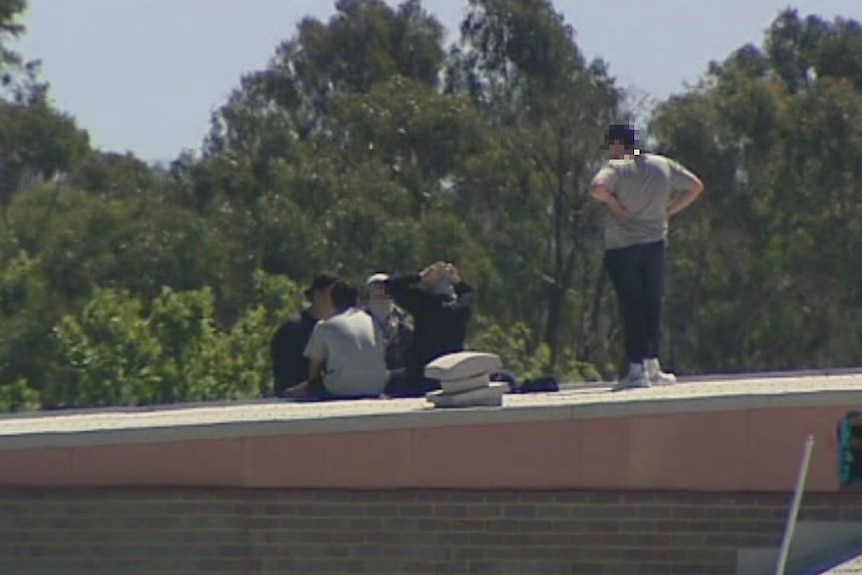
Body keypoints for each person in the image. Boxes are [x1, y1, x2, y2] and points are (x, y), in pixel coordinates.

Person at [589, 123, 704, 390]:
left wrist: (615, 205)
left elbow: (597, 188)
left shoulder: (617, 167)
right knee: (653, 305)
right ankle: (653, 364)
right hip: (655, 245)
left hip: (622, 248)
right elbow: (696, 186)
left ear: (619, 144)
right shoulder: (663, 165)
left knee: (632, 307)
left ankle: (635, 369)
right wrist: (668, 211)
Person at [282, 279, 389, 400]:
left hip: (342, 388)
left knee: (302, 390)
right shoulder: (372, 321)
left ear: (332, 301)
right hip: (377, 386)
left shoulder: (325, 325)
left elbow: (313, 374)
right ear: (357, 300)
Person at [384, 261, 475, 397]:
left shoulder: (424, 304)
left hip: (421, 372)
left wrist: (420, 276)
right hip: (450, 374)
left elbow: (391, 286)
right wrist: (457, 281)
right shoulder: (461, 309)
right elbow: (469, 294)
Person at [269, 272, 339, 397]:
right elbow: (286, 375)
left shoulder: (336, 328)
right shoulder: (293, 329)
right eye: (334, 294)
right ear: (317, 295)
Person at [364, 272, 413, 370]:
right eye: (375, 287)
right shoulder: (361, 317)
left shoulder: (403, 317)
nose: (380, 291)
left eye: (383, 287)